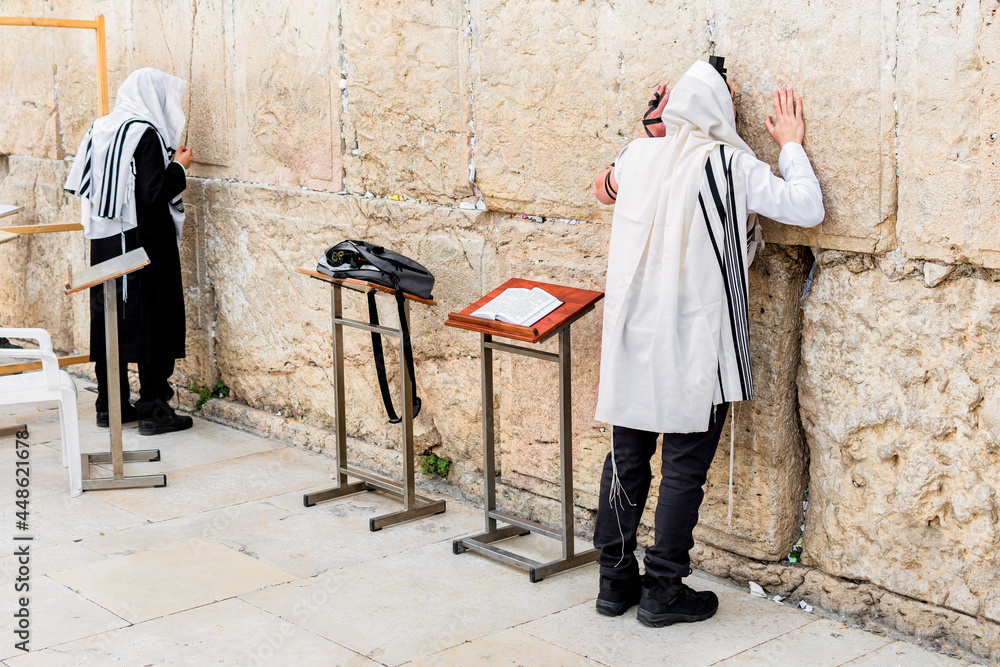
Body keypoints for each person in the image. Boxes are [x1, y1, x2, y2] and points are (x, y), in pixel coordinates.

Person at [590, 58, 824, 627]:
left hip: (633, 338)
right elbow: (807, 207)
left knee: (627, 458)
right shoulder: (732, 166)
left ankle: (614, 582)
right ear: (721, 109)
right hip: (698, 344)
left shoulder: (638, 155)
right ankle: (663, 590)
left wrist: (653, 133)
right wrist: (791, 144)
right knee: (683, 469)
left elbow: (602, 190)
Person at [65, 68, 194, 436]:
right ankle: (154, 409)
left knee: (111, 316)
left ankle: (111, 405)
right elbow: (153, 193)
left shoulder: (100, 127)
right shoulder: (145, 133)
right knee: (153, 316)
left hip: (105, 239)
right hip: (144, 242)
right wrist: (179, 167)